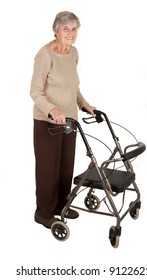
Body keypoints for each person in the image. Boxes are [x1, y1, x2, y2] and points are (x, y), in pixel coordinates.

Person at [30, 11, 96, 229]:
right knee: (48, 169)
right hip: (47, 122)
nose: (71, 33)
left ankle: (61, 205)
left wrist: (84, 104)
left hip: (70, 122)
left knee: (65, 167)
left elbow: (73, 86)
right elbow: (35, 92)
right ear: (55, 30)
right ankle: (44, 213)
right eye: (66, 29)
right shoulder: (44, 55)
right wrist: (53, 110)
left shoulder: (74, 53)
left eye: (74, 29)